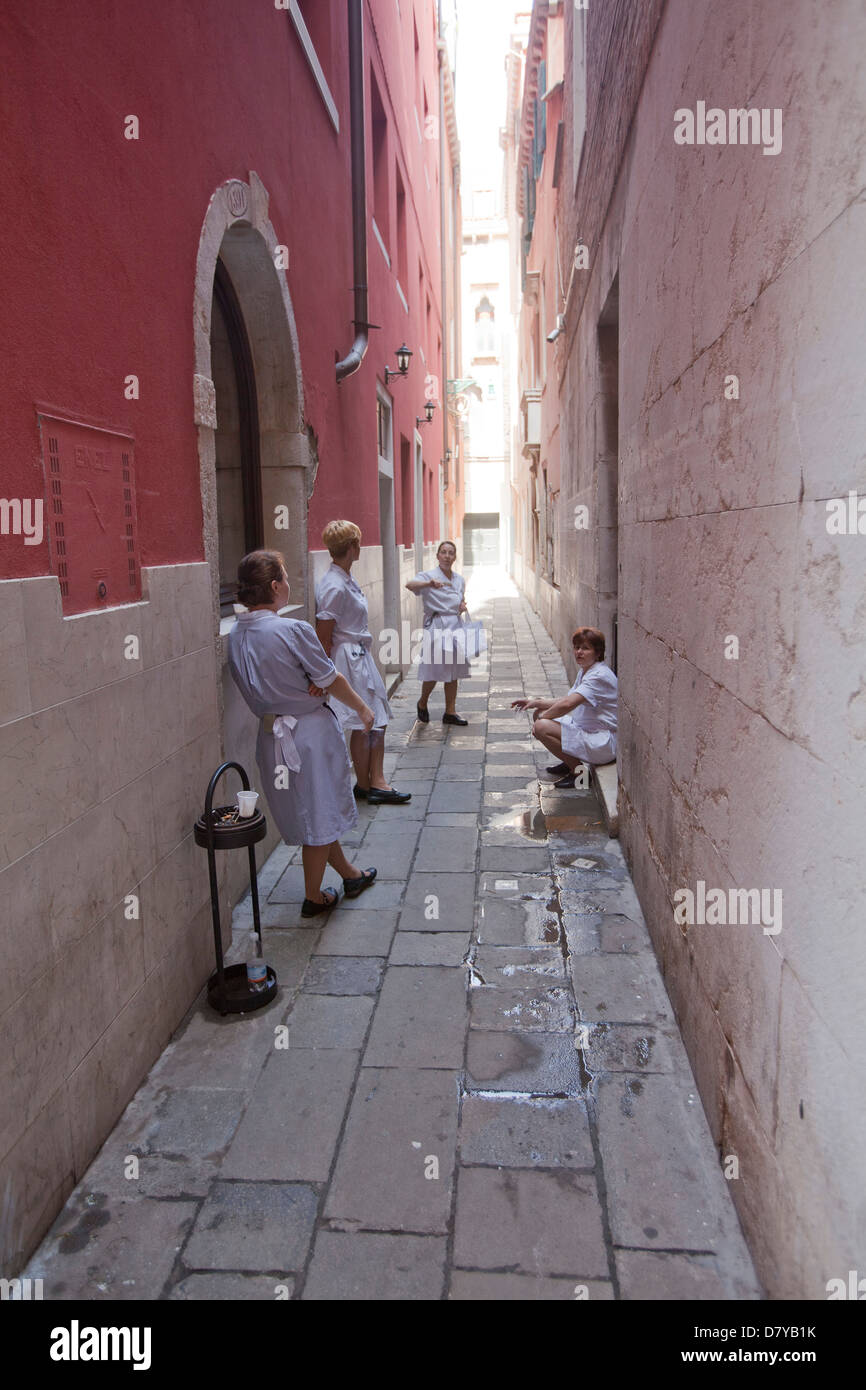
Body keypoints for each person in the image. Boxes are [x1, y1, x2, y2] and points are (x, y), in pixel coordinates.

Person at [227, 549, 378, 917]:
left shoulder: (237, 634)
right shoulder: (292, 629)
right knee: (318, 815)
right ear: (276, 586)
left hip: (271, 737)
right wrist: (361, 707)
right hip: (307, 735)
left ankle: (350, 874)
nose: (289, 583)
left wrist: (304, 683)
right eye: (285, 576)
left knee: (315, 810)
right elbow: (331, 677)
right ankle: (314, 897)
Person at [315, 520, 410, 805]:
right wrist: (322, 675)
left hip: (358, 654)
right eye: (358, 542)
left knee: (374, 718)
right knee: (367, 720)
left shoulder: (345, 577)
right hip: (348, 658)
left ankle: (370, 782)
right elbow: (323, 635)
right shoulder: (334, 585)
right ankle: (373, 784)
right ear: (353, 547)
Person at [512, 626, 617, 787]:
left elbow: (568, 704)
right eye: (577, 647)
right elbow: (566, 699)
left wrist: (542, 720)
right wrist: (536, 703)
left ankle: (580, 775)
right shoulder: (587, 670)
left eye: (585, 648)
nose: (579, 652)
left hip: (602, 741)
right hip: (588, 731)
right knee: (539, 714)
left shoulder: (598, 676)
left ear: (597, 652)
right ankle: (570, 761)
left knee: (541, 725)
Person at [406, 540, 470, 725]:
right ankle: (422, 702)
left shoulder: (459, 579)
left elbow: (460, 599)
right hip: (436, 626)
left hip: (455, 625)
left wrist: (462, 605)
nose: (447, 556)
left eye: (451, 553)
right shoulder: (428, 575)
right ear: (438, 555)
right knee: (434, 670)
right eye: (443, 552)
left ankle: (450, 711)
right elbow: (409, 585)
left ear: (455, 557)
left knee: (453, 671)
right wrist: (428, 584)